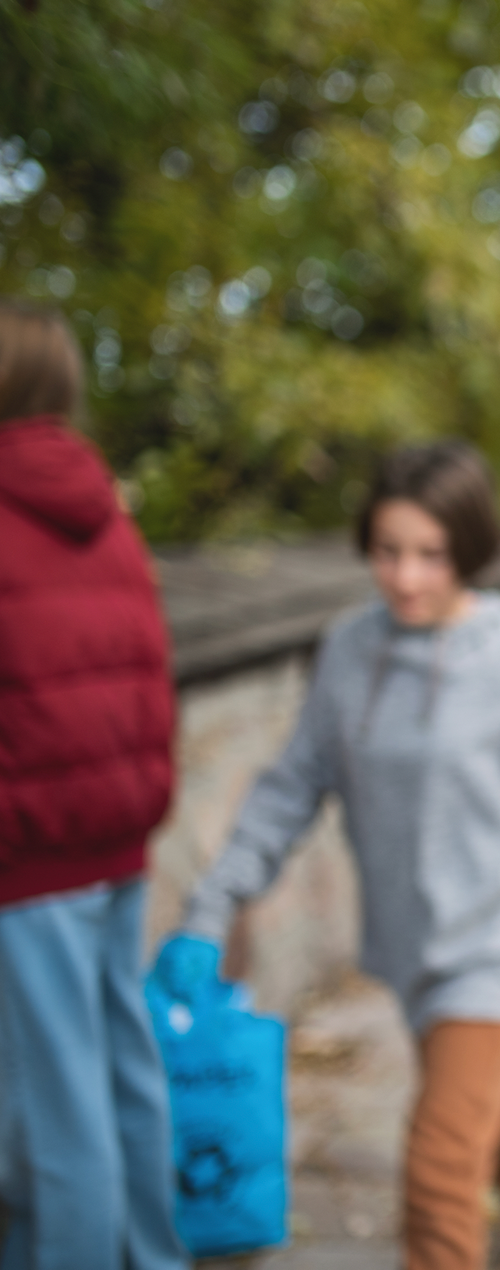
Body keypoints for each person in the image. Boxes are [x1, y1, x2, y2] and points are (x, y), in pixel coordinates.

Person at [151, 442, 500, 1270]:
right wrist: (210, 905)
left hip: (496, 940)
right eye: (388, 551)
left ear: (469, 551)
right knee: (477, 1098)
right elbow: (288, 788)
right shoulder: (348, 651)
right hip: (411, 943)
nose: (406, 577)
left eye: (430, 555)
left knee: (439, 1169)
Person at [0, 302, 187, 1270]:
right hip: (116, 844)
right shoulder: (107, 514)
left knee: (52, 1115)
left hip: (27, 861)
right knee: (126, 1076)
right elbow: (150, 677)